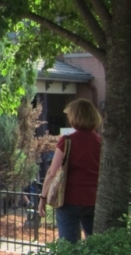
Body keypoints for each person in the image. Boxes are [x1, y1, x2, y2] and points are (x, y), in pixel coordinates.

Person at [38, 99, 102, 243]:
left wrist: (43, 198)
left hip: (69, 199)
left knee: (69, 247)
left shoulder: (67, 141)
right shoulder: (100, 141)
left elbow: (52, 173)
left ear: (75, 117)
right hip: (94, 199)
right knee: (96, 245)